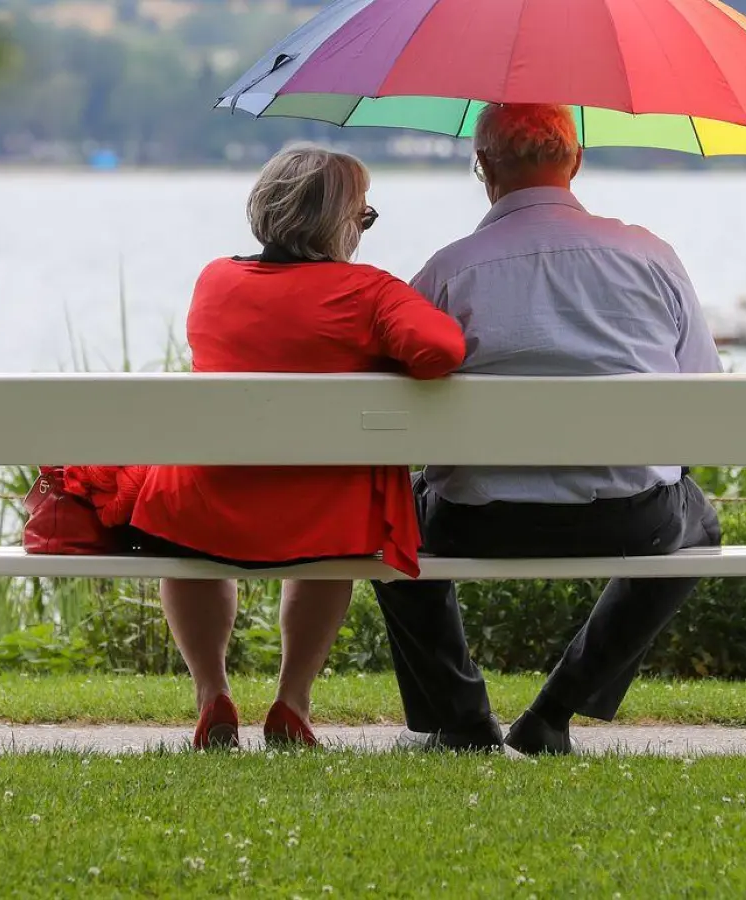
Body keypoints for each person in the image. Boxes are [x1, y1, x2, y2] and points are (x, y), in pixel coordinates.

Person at [71, 144, 465, 751]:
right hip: (319, 519)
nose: (362, 231)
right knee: (326, 525)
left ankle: (212, 694)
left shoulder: (215, 281)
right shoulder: (369, 294)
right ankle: (292, 700)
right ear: (339, 222)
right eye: (363, 217)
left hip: (201, 508)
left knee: (190, 516)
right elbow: (440, 351)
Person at [371, 104, 724, 756]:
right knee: (698, 523)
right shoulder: (651, 258)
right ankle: (554, 712)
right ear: (576, 161)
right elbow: (703, 393)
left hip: (476, 519)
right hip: (628, 517)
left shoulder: (449, 270)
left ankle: (461, 719)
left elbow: (387, 399)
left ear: (483, 168)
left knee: (389, 521)